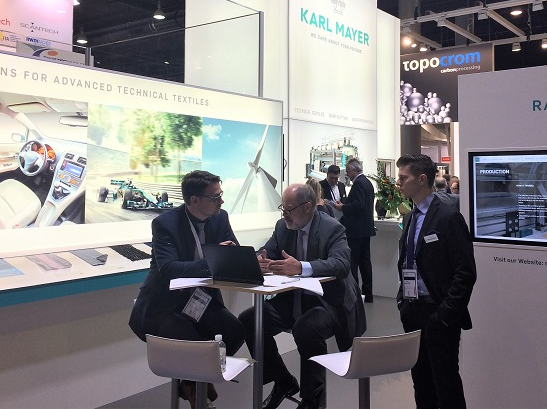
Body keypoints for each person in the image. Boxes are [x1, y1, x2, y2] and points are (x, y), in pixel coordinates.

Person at [239, 184, 366, 409]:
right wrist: (259, 259)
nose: (284, 214)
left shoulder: (332, 228)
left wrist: (302, 267)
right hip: (294, 298)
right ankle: (283, 381)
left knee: (306, 329)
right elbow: (268, 250)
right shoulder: (283, 227)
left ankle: (312, 399)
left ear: (307, 207)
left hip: (328, 300)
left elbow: (341, 264)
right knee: (250, 320)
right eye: (282, 208)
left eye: (289, 209)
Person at [129, 170, 245, 409]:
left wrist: (249, 260)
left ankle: (192, 384)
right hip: (165, 306)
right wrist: (213, 261)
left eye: (221, 194)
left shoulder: (220, 218)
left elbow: (233, 253)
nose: (221, 201)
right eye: (215, 197)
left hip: (200, 301)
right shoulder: (165, 224)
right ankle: (197, 387)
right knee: (200, 347)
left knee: (235, 332)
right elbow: (169, 269)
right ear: (195, 200)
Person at [395, 154, 477, 409]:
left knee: (446, 384)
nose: (398, 183)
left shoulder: (448, 217)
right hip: (413, 311)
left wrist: (445, 315)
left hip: (438, 314)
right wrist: (402, 301)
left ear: (421, 179)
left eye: (403, 178)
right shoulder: (409, 217)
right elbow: (407, 261)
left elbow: (465, 272)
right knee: (421, 384)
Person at [333, 158, 375, 303]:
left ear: (354, 170)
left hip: (356, 230)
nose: (347, 174)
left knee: (354, 262)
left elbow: (358, 206)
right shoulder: (367, 183)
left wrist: (342, 207)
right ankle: (368, 293)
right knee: (365, 262)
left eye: (348, 171)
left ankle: (355, 294)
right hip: (365, 229)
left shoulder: (358, 184)